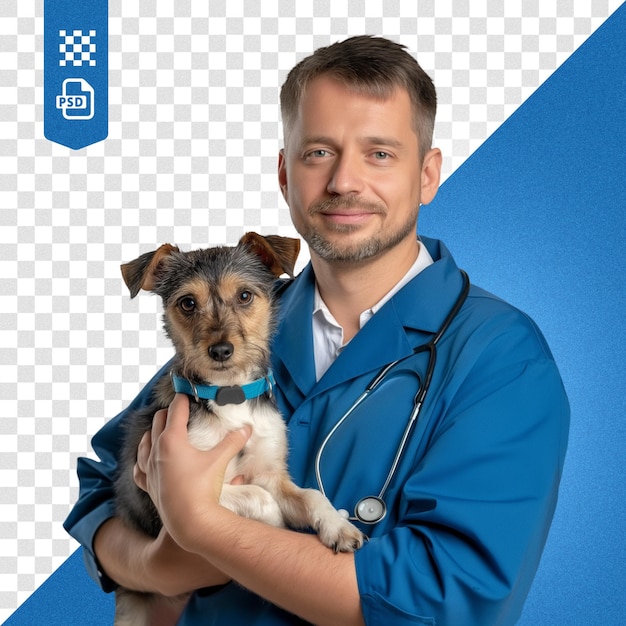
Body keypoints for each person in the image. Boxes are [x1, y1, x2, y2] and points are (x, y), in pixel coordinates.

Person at [64, 35, 570, 625]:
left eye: (380, 153)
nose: (343, 182)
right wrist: (161, 567)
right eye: (318, 153)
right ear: (285, 173)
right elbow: (105, 487)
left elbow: (448, 600)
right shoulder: (237, 331)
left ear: (429, 175)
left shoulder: (502, 357)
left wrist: (205, 527)